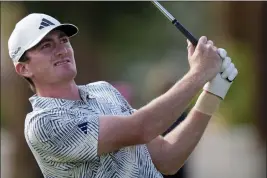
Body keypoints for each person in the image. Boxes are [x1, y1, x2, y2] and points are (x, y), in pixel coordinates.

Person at [8, 13, 238, 178]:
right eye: (46, 45)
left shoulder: (104, 90)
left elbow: (167, 158)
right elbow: (141, 128)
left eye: (64, 40)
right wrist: (198, 73)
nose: (61, 49)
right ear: (23, 68)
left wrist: (213, 90)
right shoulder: (44, 124)